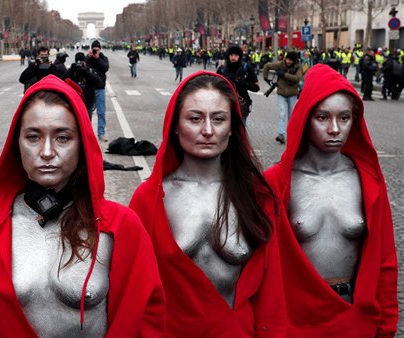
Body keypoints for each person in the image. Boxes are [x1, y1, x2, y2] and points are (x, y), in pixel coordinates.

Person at [0, 75, 165, 337]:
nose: (47, 151)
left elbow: (146, 321)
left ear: (82, 144)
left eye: (62, 138)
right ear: (16, 144)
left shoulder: (123, 226)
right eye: (33, 136)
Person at [129, 71, 286, 337]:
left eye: (219, 119)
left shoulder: (257, 195)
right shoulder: (148, 200)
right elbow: (135, 293)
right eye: (195, 118)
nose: (208, 131)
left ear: (232, 128)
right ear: (175, 125)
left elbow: (272, 292)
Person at [263, 64, 398, 337]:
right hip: (297, 320)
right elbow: (264, 268)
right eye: (322, 117)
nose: (334, 129)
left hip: (354, 318)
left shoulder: (368, 180)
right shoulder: (276, 183)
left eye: (344, 118)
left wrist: (386, 325)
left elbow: (385, 258)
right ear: (305, 117)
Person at [263, 51, 302, 144]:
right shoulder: (280, 64)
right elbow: (267, 66)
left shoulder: (298, 67)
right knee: (282, 113)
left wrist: (283, 75)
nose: (288, 61)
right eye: (287, 59)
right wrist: (266, 78)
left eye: (290, 60)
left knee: (292, 116)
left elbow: (297, 78)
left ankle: (293, 135)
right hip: (281, 93)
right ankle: (281, 135)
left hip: (292, 94)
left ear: (294, 61)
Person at [217, 45, 259, 126]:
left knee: (240, 130)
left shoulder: (246, 67)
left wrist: (243, 83)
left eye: (236, 55)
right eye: (231, 55)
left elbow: (256, 87)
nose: (233, 57)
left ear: (239, 56)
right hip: (225, 104)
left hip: (242, 103)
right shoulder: (222, 69)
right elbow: (214, 86)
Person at [64, 52, 103, 119]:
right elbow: (62, 80)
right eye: (79, 63)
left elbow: (99, 82)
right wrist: (71, 71)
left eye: (82, 63)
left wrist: (85, 72)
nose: (80, 65)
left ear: (85, 62)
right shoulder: (73, 71)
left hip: (87, 103)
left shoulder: (89, 70)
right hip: (75, 103)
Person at [86, 40, 109, 142]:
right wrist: (88, 57)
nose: (96, 51)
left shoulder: (103, 58)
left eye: (97, 49)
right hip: (90, 88)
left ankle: (101, 133)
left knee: (101, 112)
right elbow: (84, 68)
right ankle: (88, 134)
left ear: (100, 49)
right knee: (88, 112)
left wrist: (98, 58)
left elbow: (105, 68)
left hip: (100, 88)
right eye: (94, 49)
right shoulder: (88, 58)